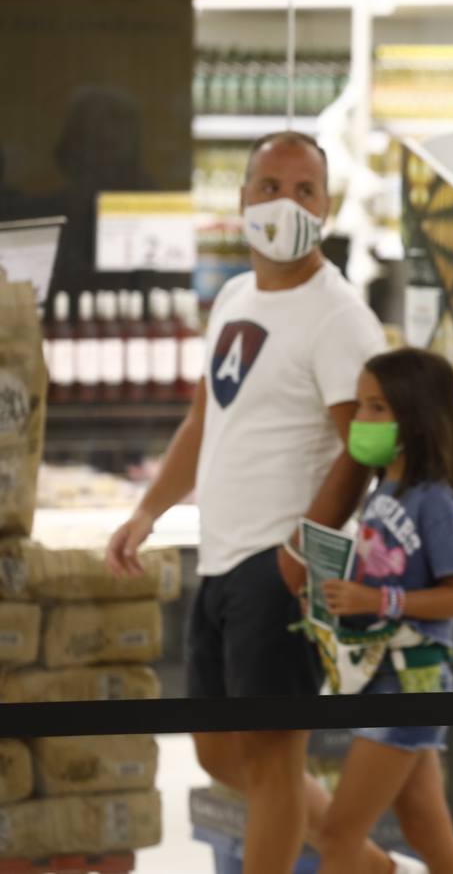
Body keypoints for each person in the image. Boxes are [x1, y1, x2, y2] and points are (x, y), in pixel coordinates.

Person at [105, 131, 397, 874]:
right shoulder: (234, 297)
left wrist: (303, 548)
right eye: (270, 187)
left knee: (271, 762)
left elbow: (361, 451)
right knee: (221, 754)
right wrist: (148, 511)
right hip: (223, 554)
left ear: (326, 207)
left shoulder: (340, 316)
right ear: (242, 199)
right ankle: (362, 862)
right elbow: (206, 422)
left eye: (304, 191)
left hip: (281, 568)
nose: (286, 204)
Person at [313, 348, 453, 874]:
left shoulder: (436, 501)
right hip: (383, 678)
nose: (360, 420)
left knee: (339, 833)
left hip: (412, 683)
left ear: (415, 412)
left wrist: (375, 600)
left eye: (376, 407)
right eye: (360, 406)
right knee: (427, 831)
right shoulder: (383, 489)